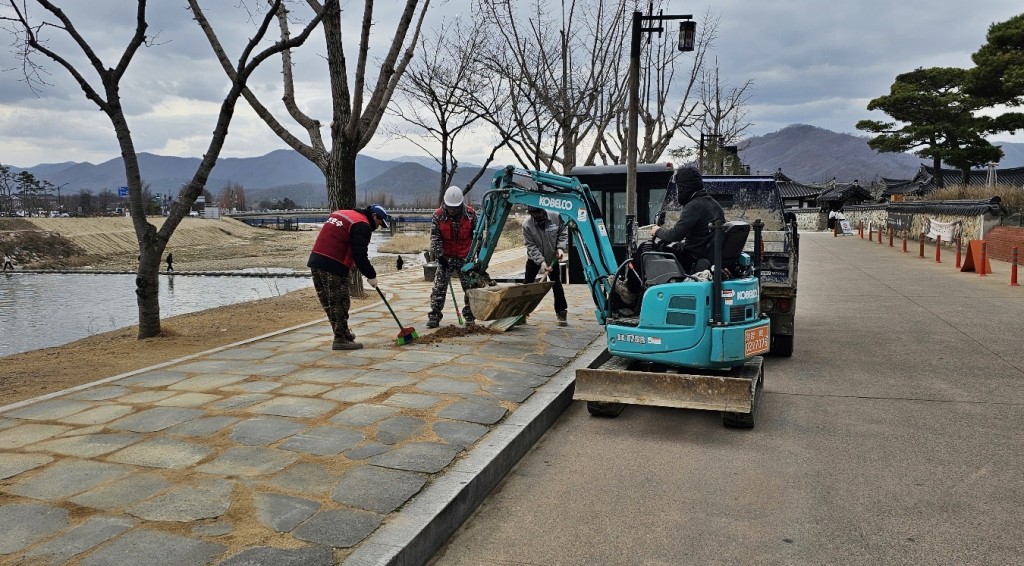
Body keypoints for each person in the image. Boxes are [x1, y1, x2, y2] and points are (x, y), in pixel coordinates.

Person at [308, 204, 391, 350]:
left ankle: (343, 332)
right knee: (340, 302)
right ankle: (340, 339)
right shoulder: (362, 225)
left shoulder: (343, 213)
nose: (378, 227)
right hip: (333, 264)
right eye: (379, 223)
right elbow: (360, 256)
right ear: (374, 216)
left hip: (316, 261)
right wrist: (371, 275)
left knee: (329, 302)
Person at [653, 166, 725, 273]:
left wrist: (657, 230)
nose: (678, 192)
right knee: (671, 247)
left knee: (645, 250)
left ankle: (632, 287)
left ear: (683, 188)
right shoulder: (714, 204)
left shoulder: (694, 206)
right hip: (706, 255)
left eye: (678, 188)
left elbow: (675, 235)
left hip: (693, 259)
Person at [427, 186, 477, 328]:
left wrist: (474, 256)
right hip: (446, 257)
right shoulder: (438, 215)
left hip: (465, 257)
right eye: (450, 207)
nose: (452, 210)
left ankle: (470, 316)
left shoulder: (471, 214)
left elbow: (477, 236)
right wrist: (440, 255)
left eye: (455, 208)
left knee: (470, 288)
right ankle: (434, 316)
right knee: (439, 288)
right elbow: (435, 237)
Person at [523, 206, 569, 326]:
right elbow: (531, 246)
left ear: (542, 211)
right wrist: (542, 263)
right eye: (533, 215)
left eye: (538, 215)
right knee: (527, 285)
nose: (536, 218)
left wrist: (560, 248)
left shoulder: (555, 216)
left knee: (557, 285)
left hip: (553, 257)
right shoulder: (527, 224)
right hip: (534, 259)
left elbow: (563, 232)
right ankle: (521, 313)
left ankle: (561, 312)